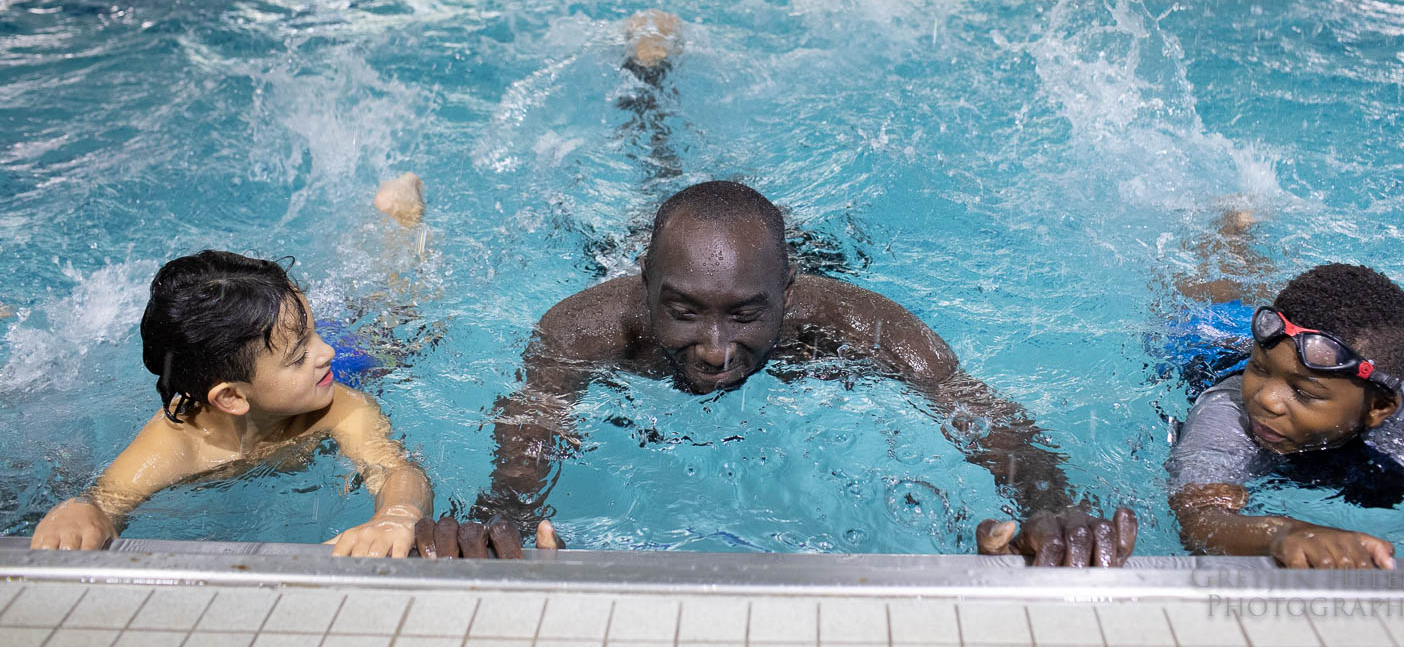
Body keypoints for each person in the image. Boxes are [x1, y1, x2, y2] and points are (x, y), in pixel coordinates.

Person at [415, 179, 1136, 565]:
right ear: (643, 284)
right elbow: (530, 426)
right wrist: (500, 515)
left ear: (788, 293)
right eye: (685, 312)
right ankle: (646, 78)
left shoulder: (856, 326)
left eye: (746, 315)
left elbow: (977, 412)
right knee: (654, 170)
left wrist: (1048, 500)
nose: (716, 349)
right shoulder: (579, 329)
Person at [28, 249, 433, 557]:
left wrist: (395, 515)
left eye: (313, 333)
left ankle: (399, 231)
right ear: (231, 397)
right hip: (281, 368)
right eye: (301, 352)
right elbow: (105, 501)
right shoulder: (179, 443)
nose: (322, 350)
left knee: (397, 326)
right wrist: (81, 510)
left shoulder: (339, 406)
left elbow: (397, 470)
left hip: (350, 364)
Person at [1166, 232, 1404, 569]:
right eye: (1259, 370)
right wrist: (1280, 534)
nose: (1266, 400)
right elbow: (1199, 518)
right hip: (1207, 347)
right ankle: (1232, 231)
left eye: (1305, 393)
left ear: (1379, 408)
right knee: (1211, 295)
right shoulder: (1228, 409)